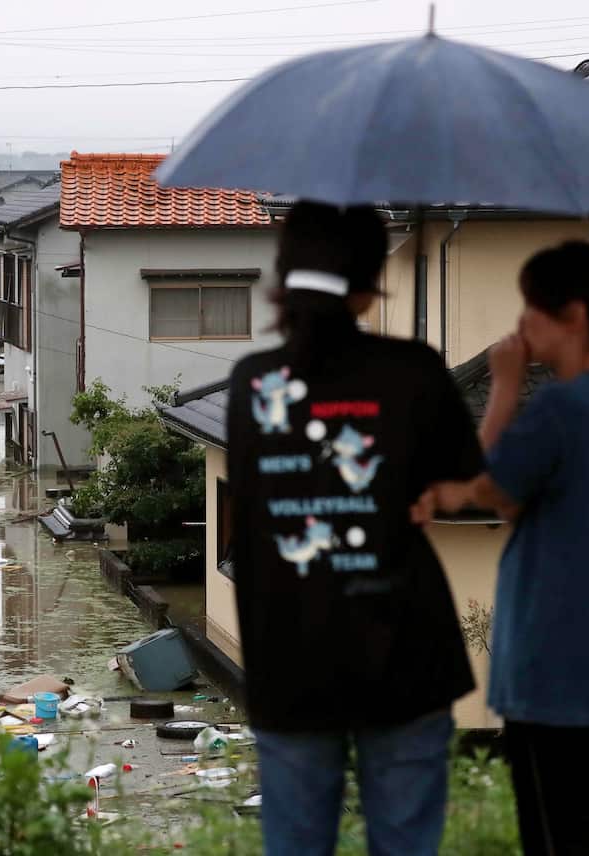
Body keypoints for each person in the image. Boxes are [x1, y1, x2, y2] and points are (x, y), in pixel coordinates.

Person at [228, 201, 484, 856]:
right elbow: (471, 485)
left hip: (289, 660)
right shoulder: (415, 372)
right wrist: (440, 492)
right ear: (371, 287)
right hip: (405, 652)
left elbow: (253, 522)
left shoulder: (254, 383)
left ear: (283, 282)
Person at [417, 240, 589, 856]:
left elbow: (495, 487)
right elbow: (525, 498)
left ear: (572, 316)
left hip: (553, 649)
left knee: (557, 828)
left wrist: (503, 386)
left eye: (531, 311)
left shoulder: (561, 405)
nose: (520, 326)